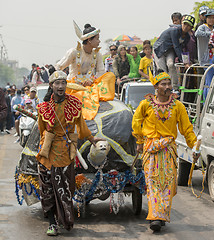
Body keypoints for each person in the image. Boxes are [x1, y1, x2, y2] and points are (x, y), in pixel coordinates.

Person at [132, 71, 200, 232]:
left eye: (169, 83)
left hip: (169, 150)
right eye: (163, 84)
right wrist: (140, 141)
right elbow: (136, 122)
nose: (168, 87)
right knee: (153, 183)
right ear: (156, 87)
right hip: (151, 150)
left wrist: (195, 146)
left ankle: (161, 214)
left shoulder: (178, 106)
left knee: (167, 183)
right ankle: (155, 217)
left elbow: (187, 129)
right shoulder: (146, 104)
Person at [36, 71, 101, 236]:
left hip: (65, 152)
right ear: (51, 86)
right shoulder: (43, 107)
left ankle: (63, 219)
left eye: (63, 83)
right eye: (57, 83)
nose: (60, 86)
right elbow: (41, 129)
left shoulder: (74, 103)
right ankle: (52, 223)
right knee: (48, 190)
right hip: (47, 152)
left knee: (65, 189)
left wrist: (92, 139)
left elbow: (82, 126)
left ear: (66, 85)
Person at [56, 22, 116, 120]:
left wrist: (92, 80)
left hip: (90, 85)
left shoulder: (98, 55)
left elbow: (101, 72)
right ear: (89, 40)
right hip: (73, 85)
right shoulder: (74, 52)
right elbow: (59, 66)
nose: (99, 41)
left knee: (110, 76)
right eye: (97, 39)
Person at [153, 15, 195, 89]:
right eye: (185, 24)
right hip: (159, 49)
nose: (186, 27)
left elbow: (183, 49)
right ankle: (163, 89)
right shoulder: (175, 30)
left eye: (189, 26)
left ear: (191, 28)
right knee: (163, 70)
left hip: (169, 50)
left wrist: (187, 62)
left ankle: (174, 87)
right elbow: (176, 46)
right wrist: (184, 62)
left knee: (171, 65)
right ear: (182, 23)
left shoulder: (187, 37)